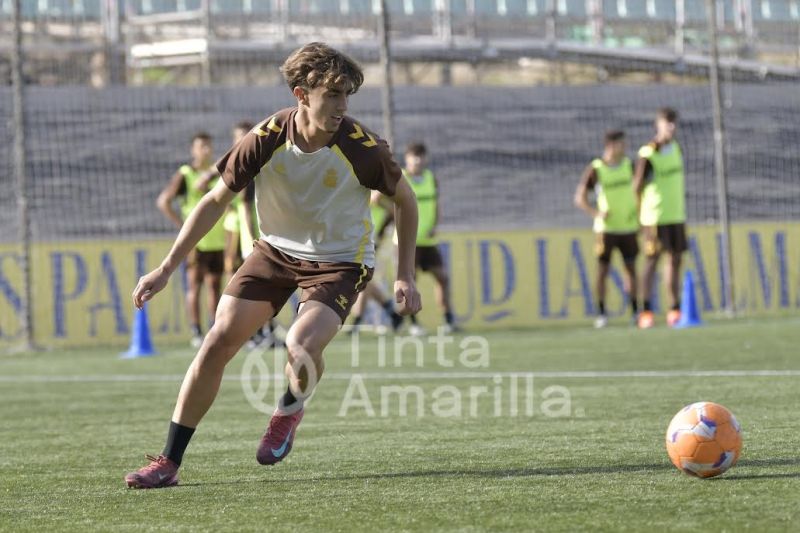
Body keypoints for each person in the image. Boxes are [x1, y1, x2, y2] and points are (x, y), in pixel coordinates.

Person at [125, 42, 421, 489]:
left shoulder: (363, 149)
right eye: (332, 95)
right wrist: (166, 267)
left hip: (339, 262)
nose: (342, 106)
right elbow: (213, 201)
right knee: (217, 341)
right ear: (302, 94)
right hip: (274, 253)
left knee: (301, 344)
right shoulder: (266, 137)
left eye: (347, 95)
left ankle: (288, 411)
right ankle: (167, 462)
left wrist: (404, 274)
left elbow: (406, 200)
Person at [156, 132, 226, 347]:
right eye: (201, 146)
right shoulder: (186, 174)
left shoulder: (217, 173)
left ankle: (214, 327)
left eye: (209, 145)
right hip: (197, 243)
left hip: (218, 239)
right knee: (195, 286)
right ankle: (196, 330)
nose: (206, 150)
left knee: (215, 285)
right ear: (193, 150)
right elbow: (164, 201)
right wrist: (183, 226)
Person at [574, 130, 639, 328]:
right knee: (603, 271)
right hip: (606, 230)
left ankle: (636, 312)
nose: (624, 147)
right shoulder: (597, 169)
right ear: (610, 146)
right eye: (621, 144)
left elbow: (640, 190)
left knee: (631, 270)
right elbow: (579, 198)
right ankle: (601, 313)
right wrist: (596, 213)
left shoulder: (629, 165)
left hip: (628, 226)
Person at [634, 108, 688, 329]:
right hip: (654, 217)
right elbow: (636, 186)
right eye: (668, 124)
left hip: (676, 215)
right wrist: (639, 215)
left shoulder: (676, 148)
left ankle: (674, 309)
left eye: (674, 123)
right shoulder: (648, 153)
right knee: (652, 260)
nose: (672, 128)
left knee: (675, 260)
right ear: (658, 125)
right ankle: (646, 310)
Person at [398, 142, 457, 336]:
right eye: (414, 156)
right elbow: (380, 200)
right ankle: (414, 324)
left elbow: (436, 204)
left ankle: (449, 321)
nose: (417, 160)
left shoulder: (431, 178)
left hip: (428, 242)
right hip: (406, 243)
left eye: (421, 156)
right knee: (409, 283)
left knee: (443, 277)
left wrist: (435, 225)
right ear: (406, 159)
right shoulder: (400, 178)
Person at [347, 190, 404, 333]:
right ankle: (390, 311)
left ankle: (357, 322)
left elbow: (377, 199)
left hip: (373, 241)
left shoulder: (377, 186)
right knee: (362, 280)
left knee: (362, 279)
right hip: (361, 240)